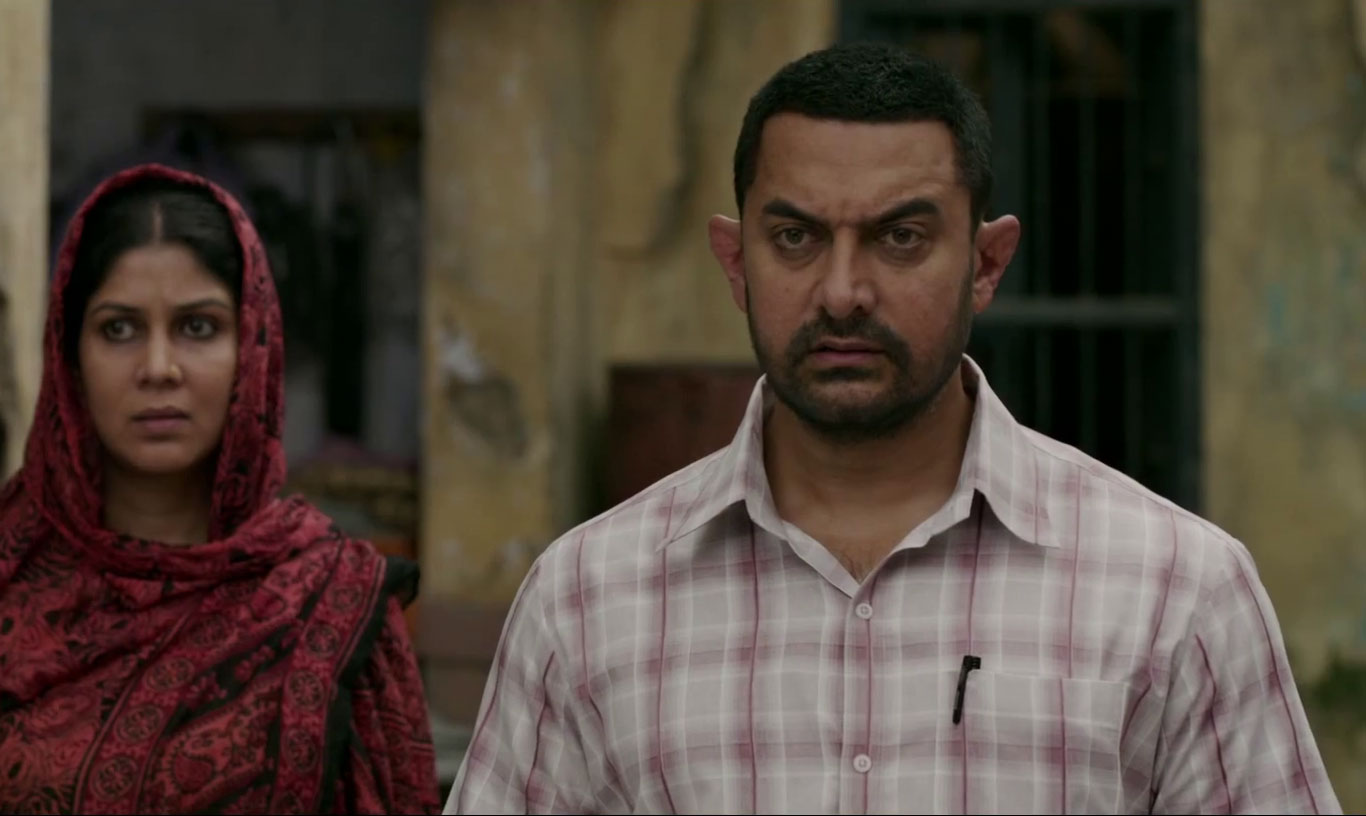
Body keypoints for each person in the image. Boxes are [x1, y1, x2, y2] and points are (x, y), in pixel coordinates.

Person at [444, 42, 1339, 815]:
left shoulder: (1175, 592)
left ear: (986, 263)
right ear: (735, 261)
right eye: (795, 238)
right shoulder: (587, 600)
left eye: (901, 237)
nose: (842, 292)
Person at [0, 164, 440, 815]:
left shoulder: (333, 602)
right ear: (70, 358)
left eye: (198, 327)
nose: (158, 369)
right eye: (119, 329)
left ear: (253, 349)